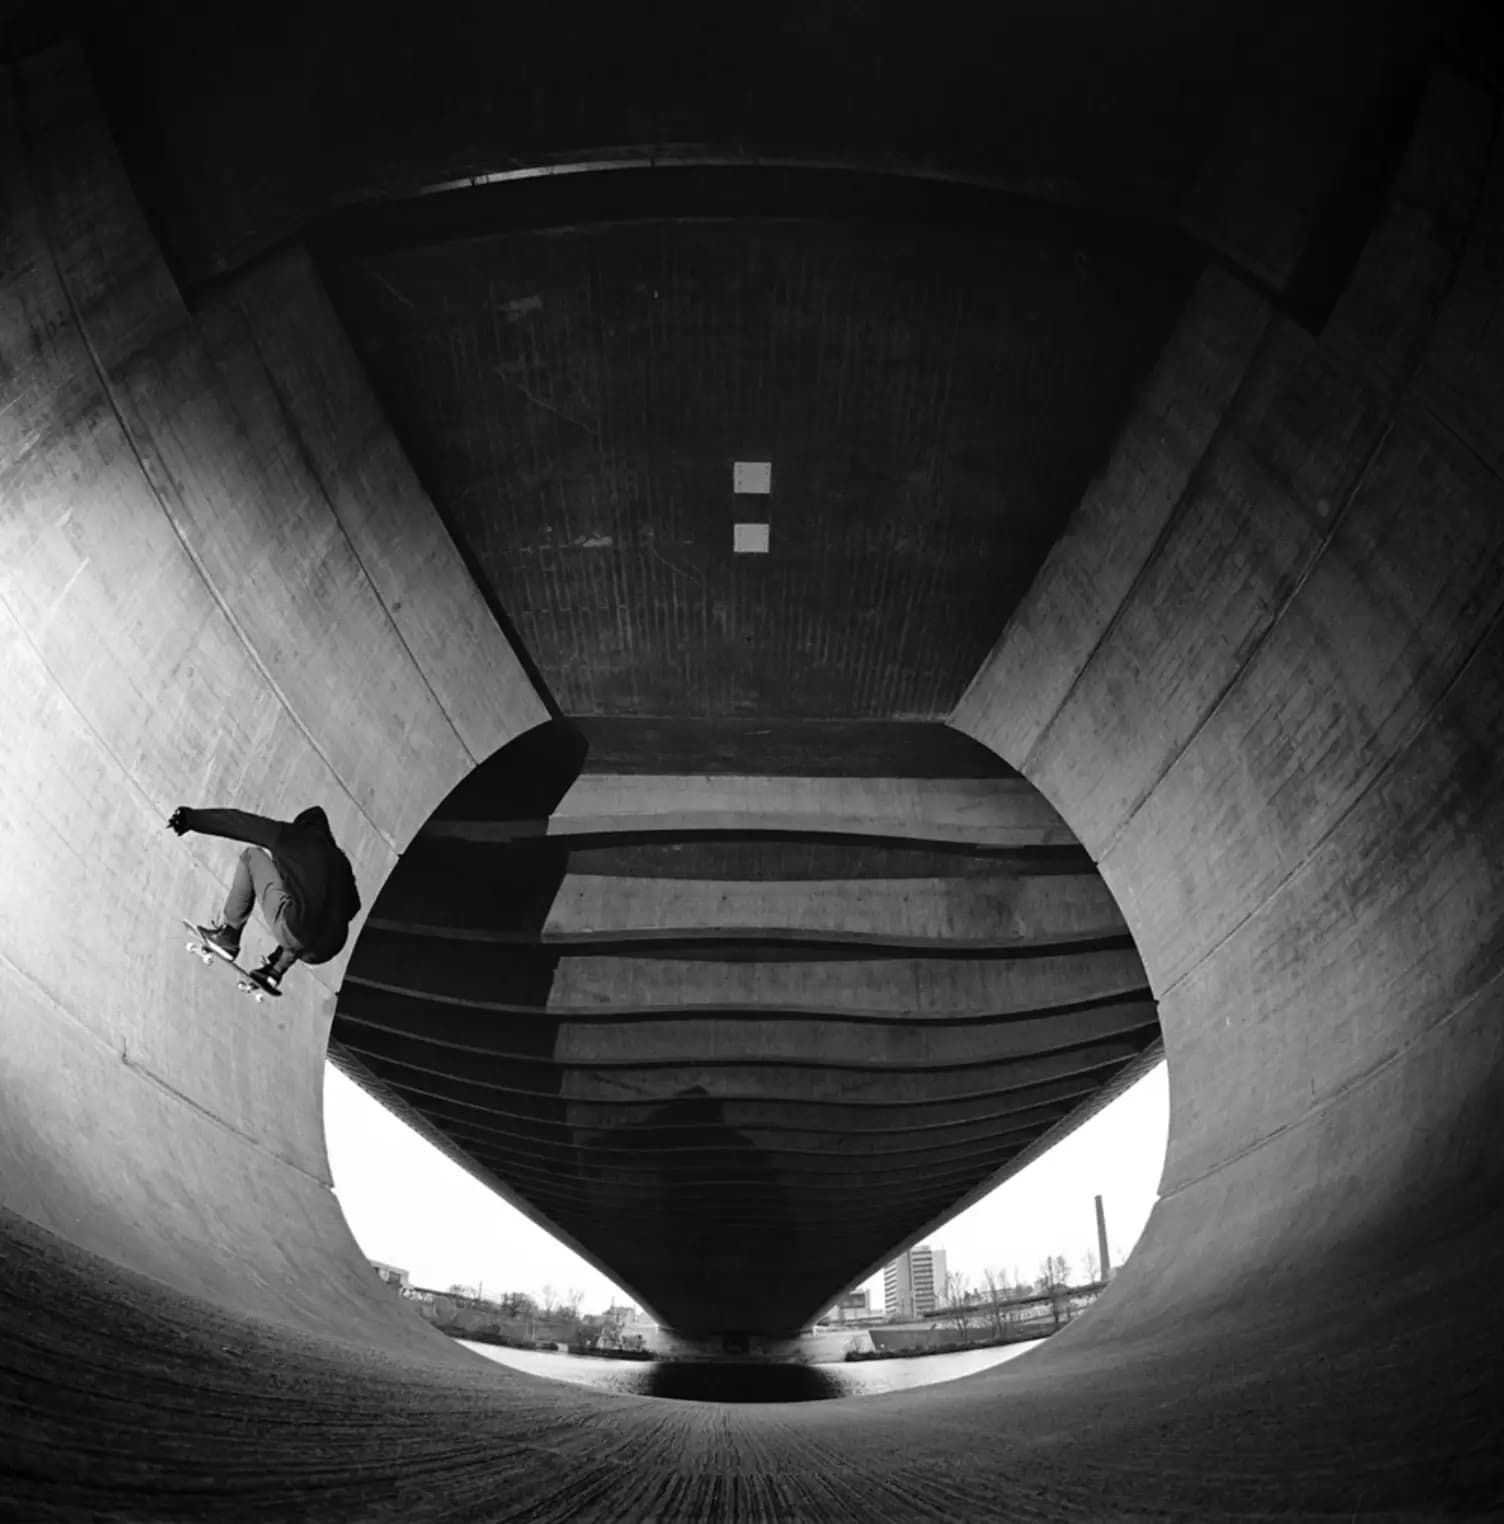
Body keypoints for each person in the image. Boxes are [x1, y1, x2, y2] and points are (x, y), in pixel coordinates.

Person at [167, 804, 361, 991]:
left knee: (252, 857)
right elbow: (354, 906)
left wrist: (192, 819)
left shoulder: (293, 836)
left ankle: (229, 935)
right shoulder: (341, 863)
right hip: (326, 950)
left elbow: (241, 823)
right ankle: (275, 971)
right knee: (305, 910)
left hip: (296, 930)